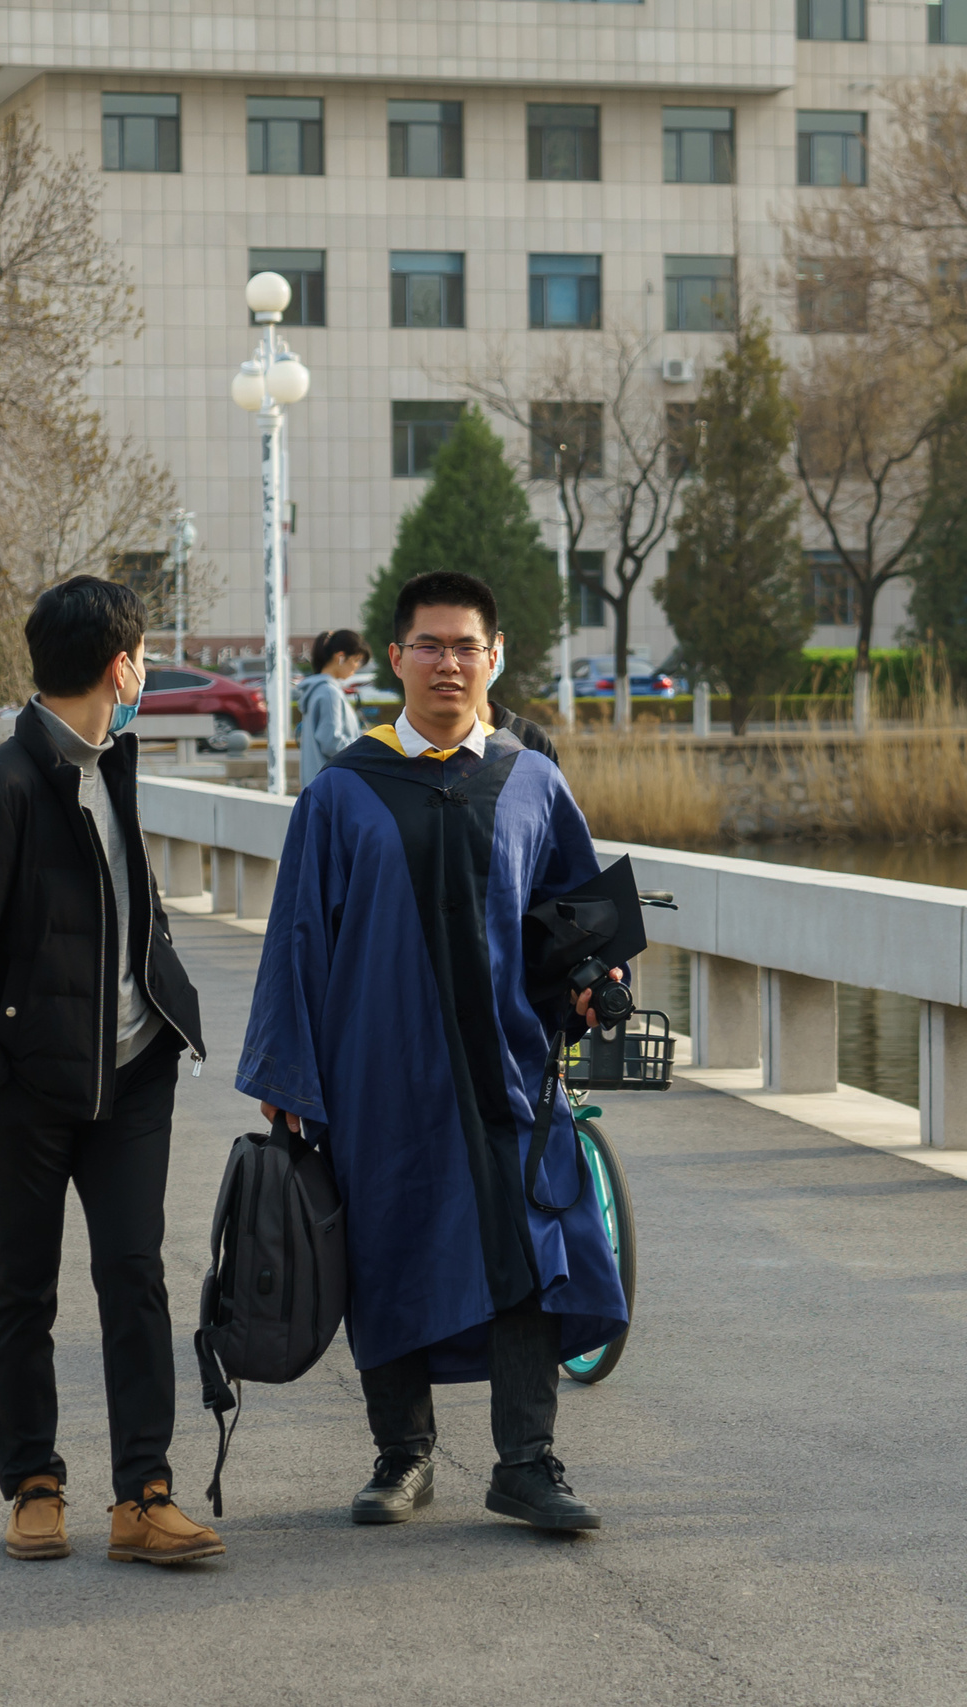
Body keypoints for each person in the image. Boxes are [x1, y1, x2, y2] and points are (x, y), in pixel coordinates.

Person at [238, 569, 628, 1534]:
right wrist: (288, 1075)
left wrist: (596, 977)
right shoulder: (343, 790)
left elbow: (574, 914)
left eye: (465, 646)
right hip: (380, 1066)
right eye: (428, 645)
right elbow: (298, 937)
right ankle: (402, 1454)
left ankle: (526, 1461)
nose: (447, 663)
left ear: (494, 658)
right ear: (396, 658)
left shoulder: (530, 780)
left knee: (531, 1247)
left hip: (509, 1063)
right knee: (390, 1246)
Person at [0, 576, 222, 1568]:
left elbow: (133, 908)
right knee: (22, 1288)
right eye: (144, 659)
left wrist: (164, 1006)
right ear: (119, 669)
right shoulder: (0, 790)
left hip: (133, 1076)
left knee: (136, 1279)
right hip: (29, 1094)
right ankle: (34, 1484)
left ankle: (144, 1495)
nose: (146, 674)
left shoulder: (115, 764)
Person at [295, 628, 368, 786]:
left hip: (319, 785)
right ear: (340, 657)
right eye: (356, 660)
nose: (356, 667)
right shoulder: (329, 692)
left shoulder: (319, 689)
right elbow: (332, 742)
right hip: (332, 787)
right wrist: (366, 745)